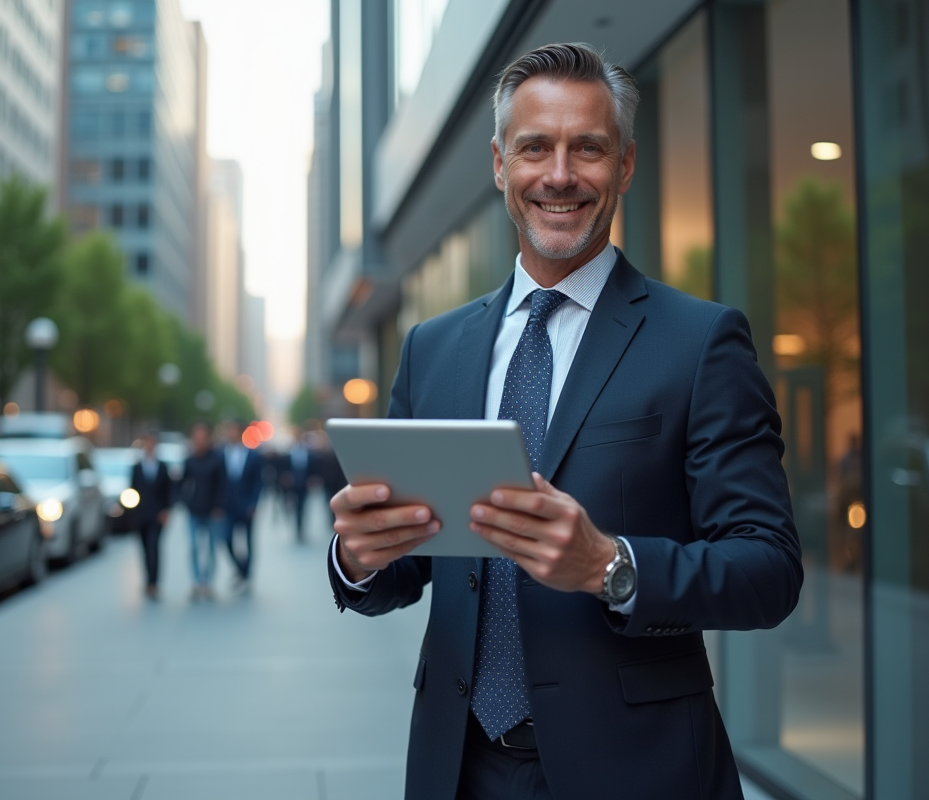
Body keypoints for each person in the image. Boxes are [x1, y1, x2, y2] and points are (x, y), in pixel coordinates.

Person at [327, 43, 802, 800]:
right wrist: (359, 556)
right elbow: (407, 570)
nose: (558, 174)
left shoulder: (701, 342)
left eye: (587, 148)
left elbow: (769, 570)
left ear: (625, 166)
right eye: (535, 147)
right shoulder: (431, 350)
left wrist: (610, 567)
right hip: (458, 767)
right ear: (497, 164)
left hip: (639, 769)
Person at [179, 421, 225, 600]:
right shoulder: (189, 459)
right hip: (194, 510)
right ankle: (197, 582)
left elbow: (223, 485)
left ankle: (209, 582)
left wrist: (219, 506)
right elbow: (182, 483)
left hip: (213, 512)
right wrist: (185, 500)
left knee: (212, 548)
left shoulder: (217, 458)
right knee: (194, 547)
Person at [221, 419, 264, 591]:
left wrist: (254, 503)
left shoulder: (254, 456)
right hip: (227, 507)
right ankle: (241, 569)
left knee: (248, 541)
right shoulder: (220, 454)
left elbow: (258, 482)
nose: (231, 433)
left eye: (234, 430)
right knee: (226, 539)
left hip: (247, 506)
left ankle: (247, 574)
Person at [129, 432, 173, 599]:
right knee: (144, 549)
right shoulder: (137, 467)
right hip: (141, 514)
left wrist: (166, 510)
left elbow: (168, 491)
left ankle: (154, 583)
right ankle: (147, 580)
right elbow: (131, 490)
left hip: (157, 514)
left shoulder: (162, 467)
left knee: (154, 547)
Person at [279, 429, 314, 542]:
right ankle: (297, 528)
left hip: (304, 485)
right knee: (295, 507)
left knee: (303, 507)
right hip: (293, 484)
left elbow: (313, 468)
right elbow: (284, 468)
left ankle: (301, 528)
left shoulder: (308, 452)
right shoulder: (289, 452)